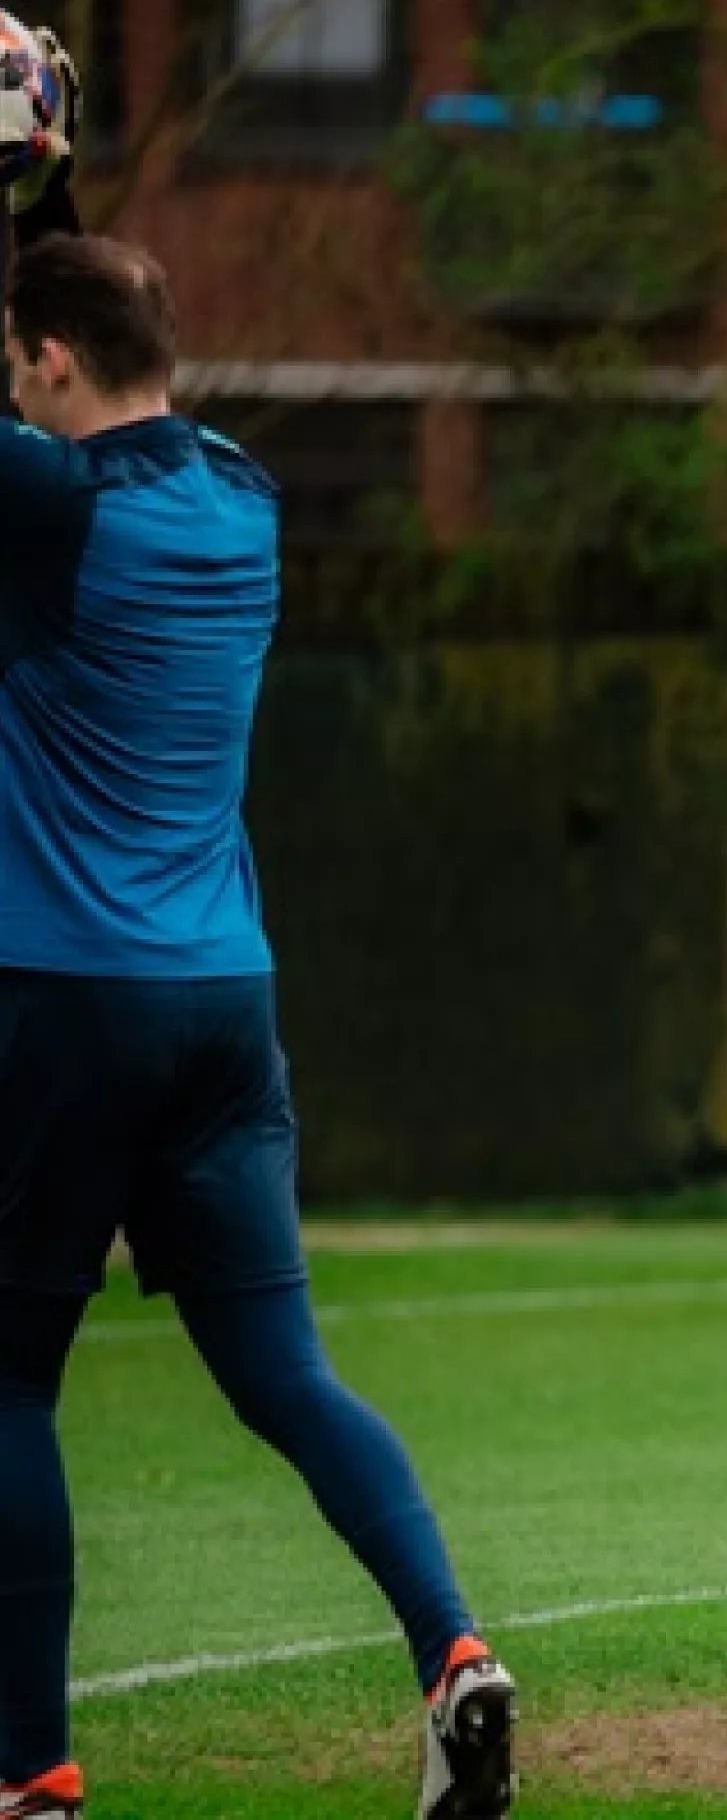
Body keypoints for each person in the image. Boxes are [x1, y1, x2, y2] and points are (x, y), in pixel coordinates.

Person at [0, 227, 517, 1817]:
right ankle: (456, 1652)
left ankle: (30, 1772)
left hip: (66, 996)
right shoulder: (246, 492)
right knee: (286, 1373)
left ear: (54, 362)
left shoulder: (52, 500)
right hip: (227, 996)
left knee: (8, 1383)